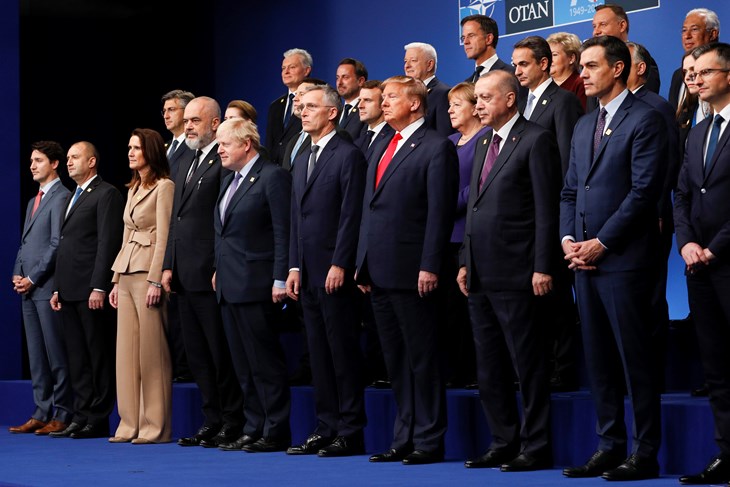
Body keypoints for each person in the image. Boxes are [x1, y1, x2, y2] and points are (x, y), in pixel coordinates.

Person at [560, 36, 666, 481]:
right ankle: (609, 445)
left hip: (623, 260)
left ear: (618, 69)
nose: (581, 73)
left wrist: (601, 242)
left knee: (634, 361)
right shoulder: (585, 123)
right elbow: (569, 190)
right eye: (581, 66)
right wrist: (568, 239)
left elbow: (644, 193)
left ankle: (643, 453)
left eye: (590, 66)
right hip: (582, 261)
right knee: (598, 360)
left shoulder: (646, 118)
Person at [458, 69, 560, 472]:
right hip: (480, 272)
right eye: (476, 98)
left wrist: (542, 266)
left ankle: (535, 446)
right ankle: (502, 440)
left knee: (527, 364)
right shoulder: (484, 141)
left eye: (485, 98)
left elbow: (545, 210)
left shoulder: (536, 140)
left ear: (510, 100)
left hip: (520, 273)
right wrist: (465, 260)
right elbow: (474, 206)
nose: (478, 105)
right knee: (489, 365)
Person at [356, 75, 458, 465]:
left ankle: (429, 440)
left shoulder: (436, 147)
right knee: (396, 359)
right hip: (379, 271)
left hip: (415, 270)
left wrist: (430, 264)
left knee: (422, 358)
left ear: (415, 103)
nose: (383, 103)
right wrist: (361, 264)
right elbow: (370, 208)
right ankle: (404, 437)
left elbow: (439, 212)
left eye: (391, 97)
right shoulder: (381, 142)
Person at [285, 84, 367, 457]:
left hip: (335, 271)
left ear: (332, 112)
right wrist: (293, 265)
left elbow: (352, 214)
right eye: (300, 107)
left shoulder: (347, 154)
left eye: (311, 107)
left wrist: (341, 262)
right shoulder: (302, 156)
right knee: (317, 353)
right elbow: (295, 218)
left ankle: (350, 430)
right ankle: (326, 425)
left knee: (342, 352)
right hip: (308, 272)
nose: (302, 112)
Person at [162, 96, 244, 450]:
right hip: (182, 271)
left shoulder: (222, 162)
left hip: (210, 272)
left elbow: (224, 220)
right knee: (196, 355)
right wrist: (167, 264)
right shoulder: (183, 162)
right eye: (187, 120)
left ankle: (231, 420)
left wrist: (216, 265)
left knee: (218, 352)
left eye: (196, 120)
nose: (188, 125)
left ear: (214, 124)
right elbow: (174, 220)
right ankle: (210, 420)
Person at [213, 118, 292, 453]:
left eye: (224, 144)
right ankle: (253, 425)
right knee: (243, 365)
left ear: (246, 144)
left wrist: (279, 277)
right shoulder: (228, 180)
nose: (219, 150)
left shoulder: (272, 176)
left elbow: (281, 231)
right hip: (229, 285)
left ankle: (275, 430)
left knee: (264, 363)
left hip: (257, 284)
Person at [513, 35, 583, 392]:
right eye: (515, 65)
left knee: (555, 295)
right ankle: (540, 364)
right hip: (523, 214)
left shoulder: (564, 102)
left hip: (553, 209)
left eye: (524, 64)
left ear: (544, 63)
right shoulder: (520, 102)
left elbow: (569, 161)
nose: (517, 71)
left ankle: (565, 367)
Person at [674, 42, 730, 486]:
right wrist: (688, 243)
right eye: (695, 73)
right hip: (699, 266)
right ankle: (727, 453)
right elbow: (683, 195)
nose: (697, 79)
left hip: (727, 259)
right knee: (716, 365)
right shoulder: (697, 130)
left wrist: (715, 247)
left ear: (728, 76)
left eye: (707, 72)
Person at [49, 141, 124, 439]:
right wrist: (56, 287)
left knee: (98, 355)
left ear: (92, 161)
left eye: (75, 157)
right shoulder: (72, 196)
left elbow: (107, 243)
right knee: (76, 357)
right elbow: (66, 245)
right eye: (67, 158)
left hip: (91, 290)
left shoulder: (107, 193)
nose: (69, 162)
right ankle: (80, 414)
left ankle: (98, 416)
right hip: (68, 289)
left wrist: (99, 285)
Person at [108, 128, 174, 444]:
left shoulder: (165, 187)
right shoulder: (133, 187)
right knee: (126, 353)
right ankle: (128, 422)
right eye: (129, 147)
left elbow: (164, 236)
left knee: (151, 353)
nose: (131, 153)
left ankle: (154, 425)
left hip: (148, 272)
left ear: (151, 151)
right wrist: (115, 280)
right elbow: (125, 233)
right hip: (126, 269)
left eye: (137, 147)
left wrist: (155, 279)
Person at [627, 41, 682, 395]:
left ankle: (654, 377)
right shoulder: (611, 111)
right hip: (623, 223)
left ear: (640, 68)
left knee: (649, 298)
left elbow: (667, 164)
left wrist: (660, 209)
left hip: (652, 217)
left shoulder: (657, 106)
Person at [9, 141, 72, 435]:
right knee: (36, 354)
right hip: (28, 289)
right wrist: (17, 273)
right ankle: (41, 410)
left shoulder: (62, 197)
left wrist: (33, 277)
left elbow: (57, 244)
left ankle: (62, 412)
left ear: (55, 163)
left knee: (55, 354)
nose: (32, 166)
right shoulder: (32, 201)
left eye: (38, 160)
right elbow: (26, 243)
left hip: (47, 288)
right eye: (31, 161)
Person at [443, 82, 487, 388]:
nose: (450, 110)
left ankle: (474, 372)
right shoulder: (448, 141)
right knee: (449, 312)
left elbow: (481, 183)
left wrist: (445, 203)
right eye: (449, 105)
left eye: (457, 105)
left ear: (474, 107)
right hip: (445, 235)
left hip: (469, 234)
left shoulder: (486, 139)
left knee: (470, 308)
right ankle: (454, 369)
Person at [160, 89, 195, 384]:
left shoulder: (194, 150)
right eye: (165, 110)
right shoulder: (164, 150)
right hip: (164, 233)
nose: (167, 114)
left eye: (173, 109)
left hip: (185, 235)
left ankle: (185, 368)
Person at [591, 4, 660, 94]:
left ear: (622, 26)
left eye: (603, 24)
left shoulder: (640, 58)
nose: (596, 32)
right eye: (594, 26)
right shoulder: (594, 66)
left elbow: (647, 102)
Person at [265, 48, 313, 166]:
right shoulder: (275, 106)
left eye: (292, 67)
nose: (286, 72)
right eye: (283, 68)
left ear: (306, 70)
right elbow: (270, 145)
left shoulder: (314, 103)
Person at [668, 8, 720, 110]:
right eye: (684, 30)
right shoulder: (678, 76)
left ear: (713, 34)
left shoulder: (725, 67)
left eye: (694, 29)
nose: (687, 36)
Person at [404, 42, 454, 136]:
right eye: (405, 61)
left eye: (413, 60)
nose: (407, 65)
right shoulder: (407, 95)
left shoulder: (443, 93)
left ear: (430, 65)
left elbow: (444, 136)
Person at [461, 14, 514, 83]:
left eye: (471, 36)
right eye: (463, 38)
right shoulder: (467, 83)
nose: (465, 42)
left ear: (488, 39)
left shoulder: (511, 74)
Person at [355, 80, 395, 162]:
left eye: (367, 100)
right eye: (359, 100)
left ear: (383, 104)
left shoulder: (393, 137)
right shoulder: (358, 141)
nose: (360, 106)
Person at [546, 32, 586, 111]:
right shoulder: (546, 87)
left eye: (554, 55)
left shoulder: (581, 84)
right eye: (547, 55)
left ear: (571, 58)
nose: (549, 60)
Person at [336, 58, 367, 141]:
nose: (339, 83)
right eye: (337, 78)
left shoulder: (367, 112)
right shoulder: (336, 113)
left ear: (360, 81)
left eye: (345, 77)